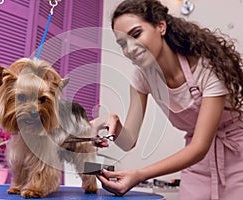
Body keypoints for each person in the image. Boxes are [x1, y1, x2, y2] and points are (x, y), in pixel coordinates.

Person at [90, 0, 243, 199]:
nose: (130, 48)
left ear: (160, 26)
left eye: (136, 34)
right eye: (122, 43)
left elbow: (200, 146)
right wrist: (109, 122)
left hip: (237, 155)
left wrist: (140, 175)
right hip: (197, 164)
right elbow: (129, 141)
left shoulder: (207, 69)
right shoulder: (142, 77)